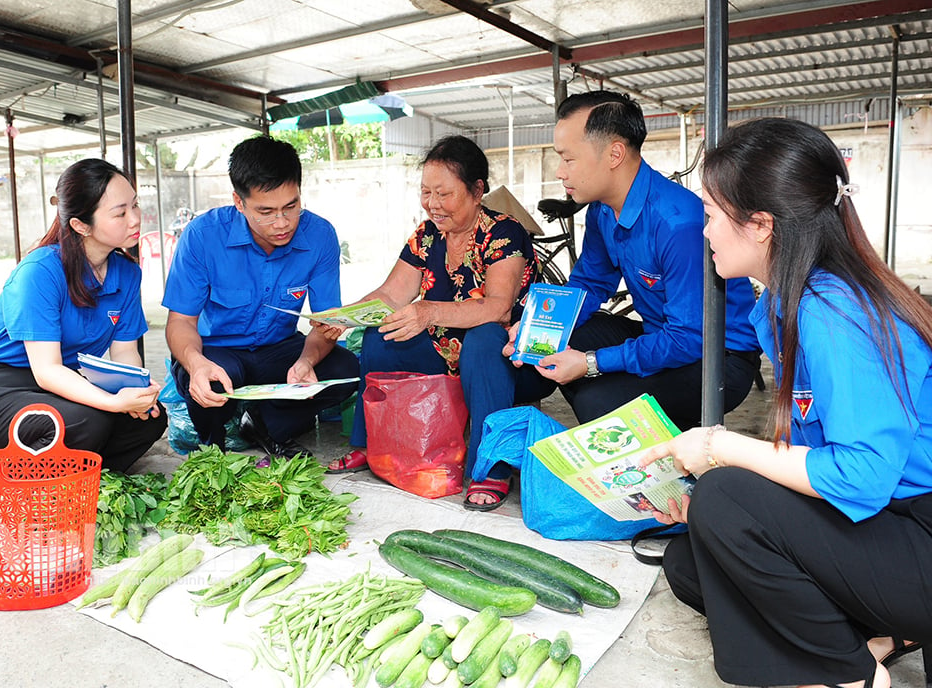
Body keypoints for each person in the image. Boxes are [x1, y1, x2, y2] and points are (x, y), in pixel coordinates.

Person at [641, 117, 932, 688]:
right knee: (692, 558)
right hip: (883, 525)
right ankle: (881, 634)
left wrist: (721, 448)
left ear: (761, 225)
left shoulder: (835, 312)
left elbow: (862, 476)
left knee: (725, 499)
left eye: (709, 216)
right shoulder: (786, 303)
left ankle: (847, 674)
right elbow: (809, 453)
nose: (702, 232)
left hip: (915, 527)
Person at [506, 90, 762, 431]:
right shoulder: (601, 210)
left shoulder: (677, 222)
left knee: (596, 399)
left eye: (568, 159)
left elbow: (689, 338)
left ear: (614, 153)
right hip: (663, 334)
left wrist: (592, 363)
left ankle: (670, 461)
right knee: (561, 339)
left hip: (719, 358)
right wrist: (537, 329)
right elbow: (591, 283)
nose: (559, 172)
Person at [326, 135, 544, 511]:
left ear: (477, 191)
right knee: (380, 337)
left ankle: (492, 465)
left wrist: (429, 311)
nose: (432, 204)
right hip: (447, 354)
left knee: (484, 338)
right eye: (426, 192)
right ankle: (373, 445)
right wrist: (342, 318)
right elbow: (391, 295)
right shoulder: (426, 235)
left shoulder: (504, 233)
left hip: (511, 360)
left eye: (443, 194)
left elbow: (499, 308)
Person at [0, 159, 167, 473]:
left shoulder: (126, 273)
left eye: (135, 205)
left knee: (150, 418)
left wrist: (134, 389)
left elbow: (125, 350)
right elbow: (47, 371)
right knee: (88, 420)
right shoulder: (39, 272)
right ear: (81, 225)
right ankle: (35, 474)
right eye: (120, 212)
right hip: (4, 390)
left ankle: (83, 474)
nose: (135, 218)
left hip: (65, 384)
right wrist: (114, 402)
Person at [163, 135, 358, 459]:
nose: (282, 223)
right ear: (239, 203)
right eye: (265, 211)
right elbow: (180, 322)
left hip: (278, 350)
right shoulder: (203, 236)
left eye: (291, 206)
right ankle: (215, 444)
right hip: (217, 350)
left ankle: (261, 423)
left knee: (345, 368)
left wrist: (306, 362)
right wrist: (196, 364)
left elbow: (326, 324)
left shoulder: (320, 235)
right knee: (211, 385)